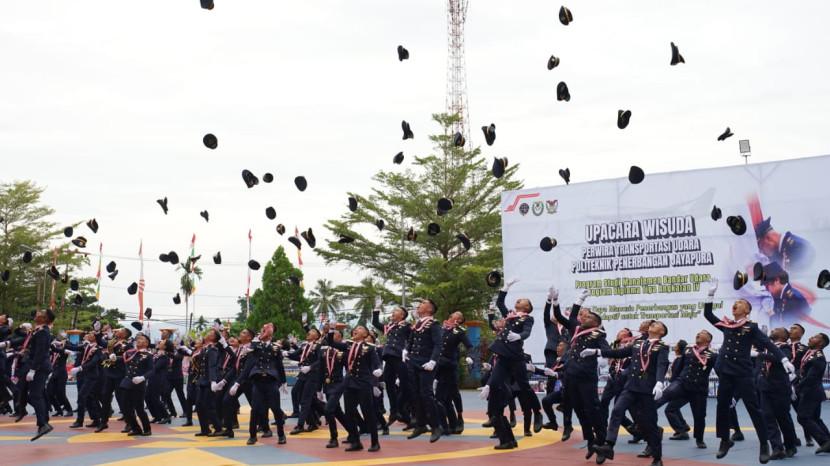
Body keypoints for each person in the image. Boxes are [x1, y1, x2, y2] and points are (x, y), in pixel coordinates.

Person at [703, 278, 795, 463]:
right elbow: (708, 314)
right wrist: (710, 294)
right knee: (722, 405)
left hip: (742, 372)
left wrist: (783, 358)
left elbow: (767, 343)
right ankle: (724, 440)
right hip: (726, 371)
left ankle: (764, 443)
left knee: (753, 407)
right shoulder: (727, 325)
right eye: (735, 303)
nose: (735, 305)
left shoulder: (751, 327)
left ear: (747, 310)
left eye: (740, 303)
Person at [587, 320, 670, 466]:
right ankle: (609, 445)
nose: (653, 324)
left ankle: (657, 458)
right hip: (631, 387)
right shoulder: (638, 343)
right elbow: (619, 353)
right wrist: (597, 352)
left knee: (648, 424)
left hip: (647, 390)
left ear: (662, 332)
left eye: (657, 324)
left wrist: (659, 382)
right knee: (617, 410)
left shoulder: (662, 347)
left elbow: (661, 365)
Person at [552, 287, 609, 456]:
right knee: (579, 410)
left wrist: (598, 353)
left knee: (592, 410)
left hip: (586, 377)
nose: (584, 318)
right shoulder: (576, 329)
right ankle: (591, 442)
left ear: (596, 323)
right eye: (584, 316)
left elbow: (606, 350)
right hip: (571, 376)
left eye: (589, 317)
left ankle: (601, 443)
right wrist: (556, 301)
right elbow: (562, 317)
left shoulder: (598, 334)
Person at [481, 279, 535, 450]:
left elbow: (526, 332)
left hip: (512, 361)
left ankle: (534, 415)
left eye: (523, 301)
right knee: (495, 411)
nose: (518, 301)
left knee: (519, 391)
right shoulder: (510, 316)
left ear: (527, 307)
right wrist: (505, 288)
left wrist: (519, 336)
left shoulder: (527, 318)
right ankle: (508, 440)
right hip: (503, 365)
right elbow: (500, 303)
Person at [325, 324, 383, 452]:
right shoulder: (348, 345)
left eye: (360, 328)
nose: (356, 329)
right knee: (349, 413)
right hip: (350, 383)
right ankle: (356, 442)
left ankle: (375, 442)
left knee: (368, 413)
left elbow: (377, 363)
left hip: (363, 383)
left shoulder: (369, 348)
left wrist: (379, 370)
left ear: (365, 334)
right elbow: (331, 342)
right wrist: (332, 329)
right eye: (356, 328)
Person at [658, 330, 717, 449]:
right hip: (682, 383)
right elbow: (679, 368)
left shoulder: (712, 355)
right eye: (698, 333)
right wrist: (674, 381)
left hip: (699, 389)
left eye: (702, 333)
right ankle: (644, 416)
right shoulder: (688, 350)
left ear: (708, 339)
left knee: (699, 416)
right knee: (664, 395)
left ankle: (699, 439)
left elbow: (719, 369)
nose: (698, 334)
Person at [232, 322, 287, 446]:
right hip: (258, 382)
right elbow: (248, 367)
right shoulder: (255, 346)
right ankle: (252, 436)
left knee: (276, 409)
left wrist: (283, 381)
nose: (263, 332)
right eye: (263, 330)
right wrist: (237, 383)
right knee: (255, 409)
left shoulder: (275, 347)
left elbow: (279, 366)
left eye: (265, 330)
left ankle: (281, 435)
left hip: (271, 382)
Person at [404, 299, 444, 443]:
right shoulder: (418, 324)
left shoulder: (434, 324)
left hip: (426, 363)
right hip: (414, 362)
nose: (419, 305)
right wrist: (406, 350)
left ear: (429, 309)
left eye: (423, 303)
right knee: (415, 394)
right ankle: (421, 425)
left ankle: (436, 426)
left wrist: (433, 361)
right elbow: (411, 340)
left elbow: (438, 344)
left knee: (426, 394)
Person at [757, 327, 798, 459]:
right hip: (765, 387)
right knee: (768, 417)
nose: (773, 330)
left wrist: (760, 355)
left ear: (784, 336)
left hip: (780, 388)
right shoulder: (767, 347)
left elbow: (779, 359)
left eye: (776, 329)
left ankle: (790, 446)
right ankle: (777, 448)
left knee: (783, 418)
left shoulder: (786, 347)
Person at [371, 298, 412, 427]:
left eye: (396, 311)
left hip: (400, 357)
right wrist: (377, 309)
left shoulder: (407, 326)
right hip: (389, 357)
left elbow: (413, 338)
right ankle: (394, 411)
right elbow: (375, 323)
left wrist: (407, 349)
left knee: (405, 385)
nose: (393, 312)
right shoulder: (389, 327)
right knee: (389, 385)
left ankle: (401, 409)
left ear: (402, 315)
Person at [435, 311, 473, 435]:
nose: (452, 317)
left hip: (450, 366)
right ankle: (451, 424)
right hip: (439, 366)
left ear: (460, 320)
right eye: (452, 315)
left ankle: (459, 418)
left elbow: (469, 346)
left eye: (457, 316)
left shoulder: (459, 331)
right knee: (443, 398)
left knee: (453, 394)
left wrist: (469, 356)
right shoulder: (442, 329)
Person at [794, 332, 830, 454]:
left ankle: (824, 441)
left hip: (811, 392)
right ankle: (828, 441)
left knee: (803, 417)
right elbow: (803, 371)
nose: (810, 338)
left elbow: (810, 378)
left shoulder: (818, 358)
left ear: (821, 343)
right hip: (813, 391)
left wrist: (797, 387)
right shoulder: (811, 354)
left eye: (814, 337)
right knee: (815, 418)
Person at [287, 327, 323, 434]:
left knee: (305, 400)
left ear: (317, 336)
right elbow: (295, 355)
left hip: (312, 375)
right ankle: (313, 421)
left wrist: (310, 367)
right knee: (297, 393)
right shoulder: (305, 345)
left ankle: (300, 425)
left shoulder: (318, 346)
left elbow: (321, 360)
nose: (309, 333)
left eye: (312, 332)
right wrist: (285, 353)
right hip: (303, 374)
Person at [67, 331, 103, 430]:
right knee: (89, 398)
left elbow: (94, 362)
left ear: (96, 337)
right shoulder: (86, 346)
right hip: (83, 375)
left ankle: (79, 421)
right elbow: (74, 348)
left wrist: (80, 368)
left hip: (92, 376)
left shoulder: (98, 349)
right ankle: (96, 419)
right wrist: (63, 343)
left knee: (82, 396)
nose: (89, 335)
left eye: (92, 334)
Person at [120, 333, 154, 436]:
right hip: (127, 382)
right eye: (138, 339)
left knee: (139, 408)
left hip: (138, 384)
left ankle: (147, 429)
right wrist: (113, 358)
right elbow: (122, 360)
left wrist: (143, 377)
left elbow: (152, 370)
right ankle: (135, 428)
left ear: (146, 343)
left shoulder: (148, 355)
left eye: (141, 339)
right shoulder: (130, 352)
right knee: (125, 408)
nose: (138, 340)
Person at [761, 262, 811, 326]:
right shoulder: (780, 297)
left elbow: (791, 325)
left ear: (777, 280)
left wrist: (771, 313)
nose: (767, 289)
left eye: (767, 286)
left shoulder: (794, 299)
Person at [47, 337, 73, 417]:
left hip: (62, 374)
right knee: (49, 392)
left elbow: (59, 350)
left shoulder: (64, 350)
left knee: (61, 393)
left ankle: (69, 409)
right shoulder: (54, 351)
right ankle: (58, 410)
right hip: (54, 374)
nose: (57, 343)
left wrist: (56, 345)